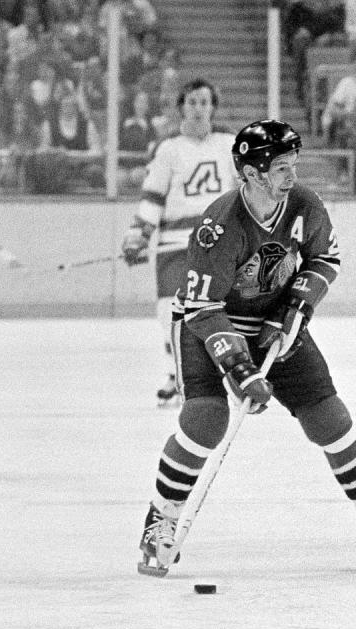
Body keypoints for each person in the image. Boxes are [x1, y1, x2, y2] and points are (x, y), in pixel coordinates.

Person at [137, 119, 356, 576]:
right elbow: (204, 309)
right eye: (281, 167)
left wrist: (295, 311)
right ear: (250, 173)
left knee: (329, 417)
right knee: (206, 421)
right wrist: (241, 371)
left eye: (293, 165)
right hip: (208, 325)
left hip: (274, 323)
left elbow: (326, 258)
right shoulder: (218, 227)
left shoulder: (305, 204)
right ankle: (160, 518)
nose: (292, 176)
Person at [121, 78, 237, 406]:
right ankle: (176, 374)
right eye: (192, 102)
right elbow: (152, 198)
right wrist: (138, 236)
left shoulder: (229, 144)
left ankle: (219, 373)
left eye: (204, 102)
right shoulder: (168, 149)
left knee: (215, 311)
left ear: (213, 106)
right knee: (168, 312)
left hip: (217, 244)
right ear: (181, 107)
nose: (198, 108)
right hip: (174, 244)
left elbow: (245, 195)